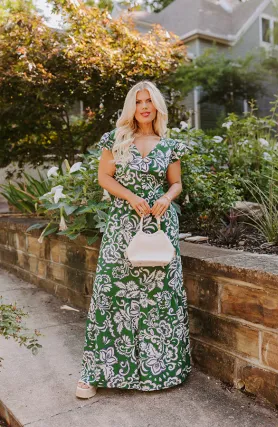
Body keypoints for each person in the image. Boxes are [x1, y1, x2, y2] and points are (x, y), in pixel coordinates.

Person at [76, 80, 191, 398]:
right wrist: (129, 197)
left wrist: (167, 198)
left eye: (149, 101)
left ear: (156, 107)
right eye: (138, 101)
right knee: (112, 294)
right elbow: (104, 177)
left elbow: (177, 183)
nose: (144, 106)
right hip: (123, 228)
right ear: (132, 106)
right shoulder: (115, 139)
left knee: (158, 299)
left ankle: (160, 369)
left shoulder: (169, 145)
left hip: (158, 226)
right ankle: (94, 372)